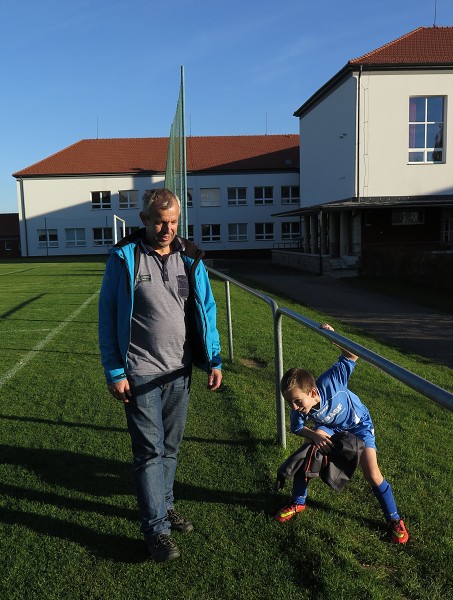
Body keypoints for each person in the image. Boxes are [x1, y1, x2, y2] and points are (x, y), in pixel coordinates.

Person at [98, 188, 222, 562]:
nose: (166, 229)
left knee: (169, 448)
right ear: (144, 220)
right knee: (149, 452)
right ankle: (156, 532)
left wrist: (213, 359)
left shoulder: (190, 257)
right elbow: (107, 315)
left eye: (172, 222)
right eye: (159, 222)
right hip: (140, 373)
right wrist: (115, 370)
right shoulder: (125, 258)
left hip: (179, 372)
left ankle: (165, 505)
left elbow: (206, 308)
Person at [275, 323, 409, 545]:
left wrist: (333, 337)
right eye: (289, 402)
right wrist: (316, 436)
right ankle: (299, 501)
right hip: (333, 428)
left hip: (359, 424)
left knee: (372, 473)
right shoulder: (299, 410)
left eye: (297, 401)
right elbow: (297, 428)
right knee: (310, 450)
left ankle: (394, 519)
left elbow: (353, 354)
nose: (294, 407)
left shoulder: (332, 381)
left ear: (313, 391)